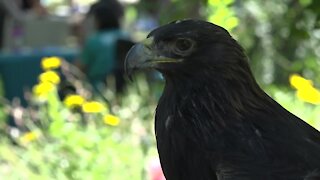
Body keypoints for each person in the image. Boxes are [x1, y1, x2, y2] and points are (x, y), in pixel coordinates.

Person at [76, 0, 132, 93]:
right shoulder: (126, 36)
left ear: (98, 20)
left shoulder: (94, 40)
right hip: (124, 90)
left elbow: (78, 69)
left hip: (97, 90)